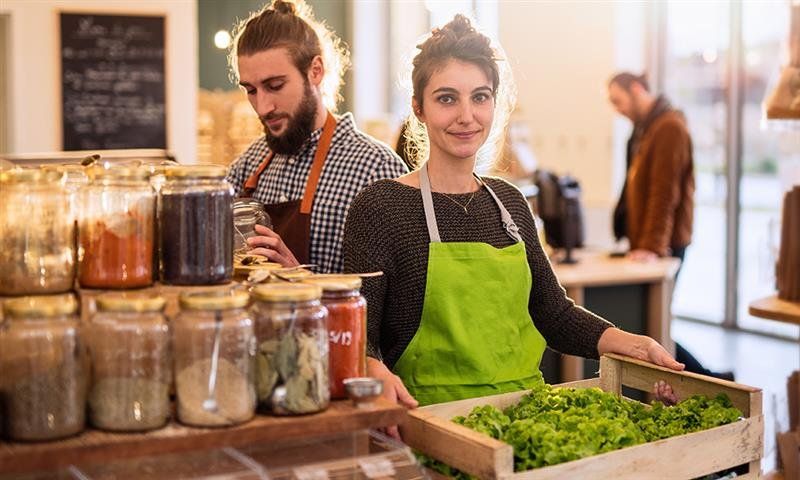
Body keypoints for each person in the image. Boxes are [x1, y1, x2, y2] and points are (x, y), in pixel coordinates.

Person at [343, 16, 683, 424]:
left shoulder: (509, 203)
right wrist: (374, 370)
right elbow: (357, 338)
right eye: (447, 98)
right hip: (431, 424)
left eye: (480, 97)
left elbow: (552, 313)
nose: (467, 115)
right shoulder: (381, 207)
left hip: (526, 419)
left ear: (494, 103)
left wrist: (630, 343)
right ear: (418, 107)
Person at [225, 0, 407, 273]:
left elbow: (394, 302)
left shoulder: (377, 170)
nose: (263, 107)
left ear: (315, 71)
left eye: (275, 86)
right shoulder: (248, 166)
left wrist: (300, 279)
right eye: (251, 90)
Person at [607, 72, 733, 381]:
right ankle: (712, 378)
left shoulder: (669, 128)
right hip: (651, 242)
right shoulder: (646, 129)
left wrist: (651, 247)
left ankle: (710, 380)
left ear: (636, 90)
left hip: (664, 244)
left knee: (655, 323)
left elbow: (665, 194)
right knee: (654, 322)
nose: (617, 109)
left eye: (618, 101)